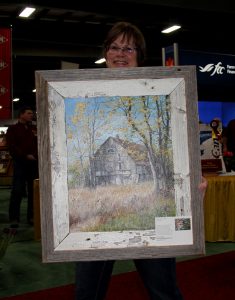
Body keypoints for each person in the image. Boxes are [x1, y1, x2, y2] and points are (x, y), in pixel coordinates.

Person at [75, 22, 207, 300]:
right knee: (87, 293)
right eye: (114, 47)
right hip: (92, 227)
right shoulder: (80, 92)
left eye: (128, 48)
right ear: (105, 52)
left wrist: (191, 178)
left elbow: (179, 143)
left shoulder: (163, 91)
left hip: (157, 220)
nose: (120, 53)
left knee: (164, 291)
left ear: (139, 54)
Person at [6, 106, 38, 228]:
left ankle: (32, 217)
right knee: (17, 191)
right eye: (29, 113)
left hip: (34, 164)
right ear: (21, 114)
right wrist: (25, 155)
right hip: (20, 164)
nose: (32, 115)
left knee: (33, 192)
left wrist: (35, 156)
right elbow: (12, 147)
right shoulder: (12, 129)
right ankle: (14, 218)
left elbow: (39, 143)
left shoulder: (34, 129)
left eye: (32, 113)